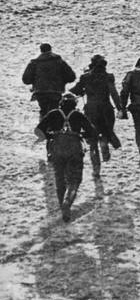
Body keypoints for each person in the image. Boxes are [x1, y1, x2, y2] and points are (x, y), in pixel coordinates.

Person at [35, 93, 96, 222]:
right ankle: (67, 203)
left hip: (56, 148)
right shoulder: (78, 115)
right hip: (74, 148)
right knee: (75, 179)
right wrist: (81, 134)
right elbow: (92, 132)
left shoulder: (53, 113)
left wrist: (48, 136)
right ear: (75, 104)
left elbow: (38, 130)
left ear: (61, 103)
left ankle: (62, 203)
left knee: (59, 179)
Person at [70, 54, 124, 176]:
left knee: (92, 140)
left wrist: (81, 90)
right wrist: (120, 108)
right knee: (106, 131)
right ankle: (104, 141)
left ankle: (96, 169)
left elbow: (75, 91)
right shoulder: (108, 77)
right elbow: (113, 93)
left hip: (91, 110)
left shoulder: (85, 77)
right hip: (106, 109)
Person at [22, 43, 76, 121]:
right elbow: (71, 77)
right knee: (54, 111)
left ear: (41, 50)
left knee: (43, 111)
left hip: (40, 92)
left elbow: (26, 79)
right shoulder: (59, 61)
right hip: (55, 91)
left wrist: (35, 81)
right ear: (50, 49)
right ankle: (54, 129)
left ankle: (43, 128)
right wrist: (62, 81)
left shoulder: (35, 63)